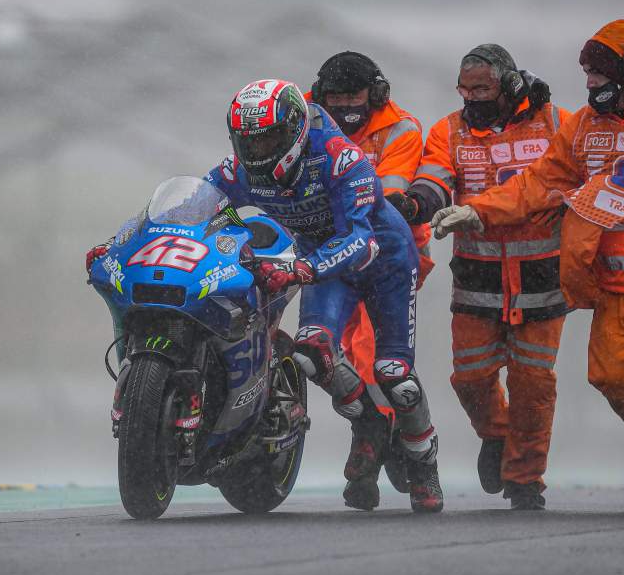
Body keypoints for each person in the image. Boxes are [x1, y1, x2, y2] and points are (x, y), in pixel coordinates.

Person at [431, 20, 624, 512]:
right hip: (611, 283)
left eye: (599, 73)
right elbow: (536, 183)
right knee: (609, 377)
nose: (590, 83)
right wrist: (478, 209)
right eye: (588, 74)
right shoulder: (583, 129)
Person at [205, 78, 443, 512]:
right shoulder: (238, 171)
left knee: (394, 373)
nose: (258, 153)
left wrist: (303, 267)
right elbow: (198, 205)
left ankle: (423, 461)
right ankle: (369, 423)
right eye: (248, 142)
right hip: (323, 265)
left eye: (270, 140)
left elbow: (362, 240)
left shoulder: (340, 159)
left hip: (383, 260)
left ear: (295, 131)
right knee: (310, 353)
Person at [388, 44, 571, 509]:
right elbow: (434, 178)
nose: (471, 98)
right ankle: (496, 435)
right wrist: (413, 204)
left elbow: (587, 175)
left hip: (541, 277)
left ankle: (525, 480)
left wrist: (572, 210)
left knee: (532, 382)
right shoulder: (448, 130)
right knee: (469, 378)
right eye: (464, 89)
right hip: (477, 277)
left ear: (508, 85)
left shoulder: (557, 123)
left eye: (482, 89)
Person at [308, 51, 429, 494]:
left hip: (390, 254)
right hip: (325, 253)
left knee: (374, 358)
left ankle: (385, 449)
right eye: (333, 97)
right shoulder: (300, 116)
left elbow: (390, 192)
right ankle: (379, 436)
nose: (342, 106)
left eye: (352, 96)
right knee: (323, 353)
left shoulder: (402, 129)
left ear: (375, 93)